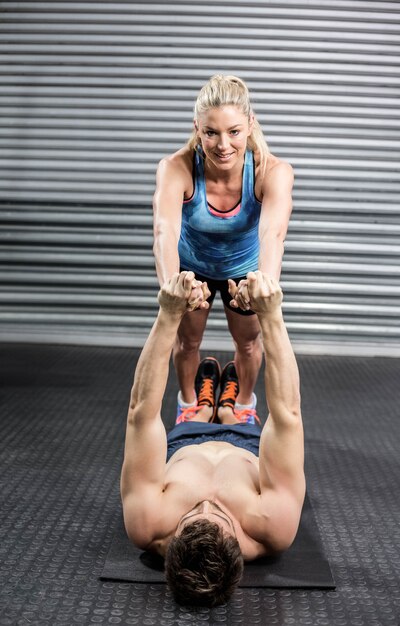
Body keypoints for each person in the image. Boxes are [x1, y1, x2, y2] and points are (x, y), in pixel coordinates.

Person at [121, 270, 305, 607]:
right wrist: (271, 316)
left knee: (195, 411)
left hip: (186, 442)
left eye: (193, 513)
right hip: (247, 444)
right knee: (242, 416)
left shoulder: (148, 524)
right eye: (217, 514)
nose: (206, 503)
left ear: (168, 545)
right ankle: (232, 409)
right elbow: (287, 416)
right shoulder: (273, 526)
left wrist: (168, 313)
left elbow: (140, 414)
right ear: (240, 548)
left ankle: (202, 407)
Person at [152, 74, 294, 424]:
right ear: (197, 128)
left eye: (233, 131)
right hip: (192, 267)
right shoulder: (176, 168)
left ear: (250, 124)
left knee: (248, 344)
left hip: (243, 269)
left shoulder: (271, 172)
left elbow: (272, 234)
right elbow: (165, 230)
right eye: (211, 132)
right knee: (185, 342)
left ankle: (243, 402)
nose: (223, 145)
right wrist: (173, 287)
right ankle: (189, 404)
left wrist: (262, 287)